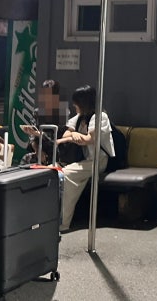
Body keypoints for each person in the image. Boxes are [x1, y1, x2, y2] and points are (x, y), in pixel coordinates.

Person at [59, 85, 114, 231]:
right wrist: (75, 134)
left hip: (99, 161)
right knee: (59, 173)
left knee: (66, 174)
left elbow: (90, 139)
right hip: (84, 161)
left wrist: (77, 135)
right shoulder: (79, 118)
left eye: (76, 102)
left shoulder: (100, 117)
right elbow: (66, 134)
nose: (74, 105)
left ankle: (63, 223)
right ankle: (58, 219)